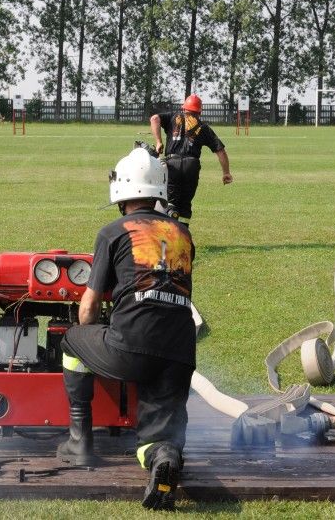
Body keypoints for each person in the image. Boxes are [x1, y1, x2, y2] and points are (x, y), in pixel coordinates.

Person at [57, 146, 196, 511]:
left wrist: (93, 335)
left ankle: (79, 441)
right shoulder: (182, 233)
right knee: (160, 435)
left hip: (131, 347)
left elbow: (88, 309)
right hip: (180, 352)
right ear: (159, 190)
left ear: (121, 193)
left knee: (72, 341)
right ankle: (163, 459)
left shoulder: (113, 232)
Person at [149, 94, 232, 225]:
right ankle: (183, 234)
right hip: (191, 165)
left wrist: (158, 142)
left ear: (184, 108)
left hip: (172, 163)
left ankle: (169, 225)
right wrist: (226, 173)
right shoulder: (203, 127)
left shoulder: (172, 117)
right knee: (185, 203)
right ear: (199, 111)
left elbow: (154, 118)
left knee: (171, 201)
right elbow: (220, 151)